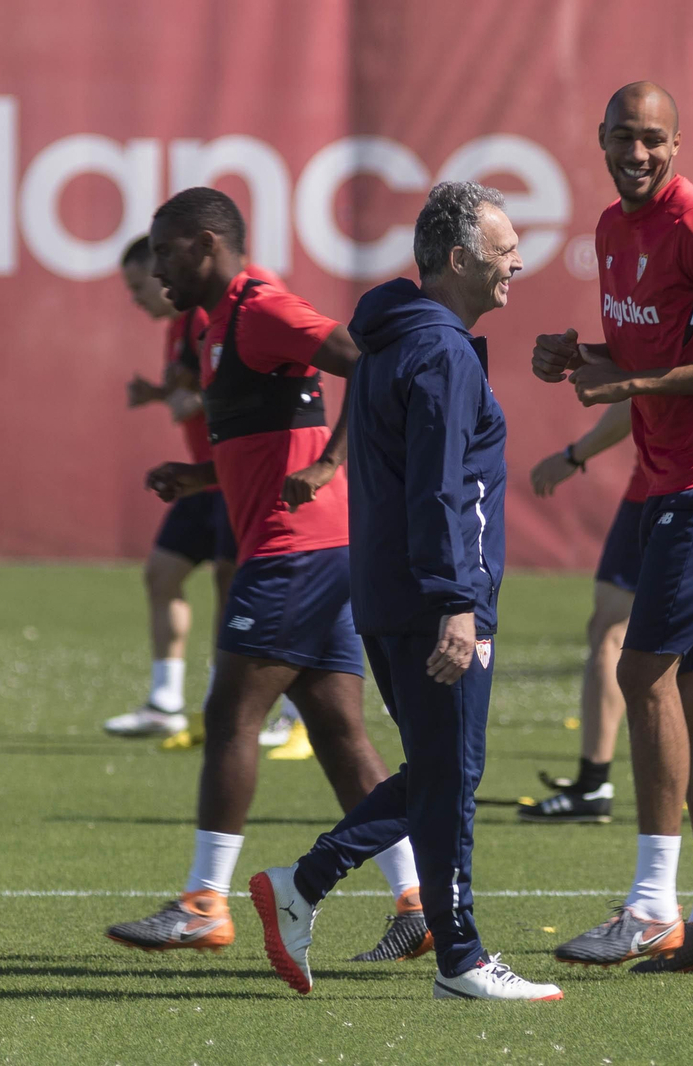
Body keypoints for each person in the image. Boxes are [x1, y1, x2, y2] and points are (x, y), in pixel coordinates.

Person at [249, 182, 561, 1002]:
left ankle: (304, 888)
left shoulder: (394, 338)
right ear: (457, 259)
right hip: (435, 602)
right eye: (504, 251)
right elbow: (439, 489)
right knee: (450, 778)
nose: (518, 264)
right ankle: (459, 958)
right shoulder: (441, 352)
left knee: (439, 771)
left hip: (389, 595)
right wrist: (457, 601)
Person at [105, 188, 425, 964]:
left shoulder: (262, 308)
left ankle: (203, 903)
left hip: (295, 552)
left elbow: (368, 361)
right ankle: (417, 903)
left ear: (207, 245)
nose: (156, 267)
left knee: (229, 714)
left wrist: (332, 462)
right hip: (315, 551)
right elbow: (264, 436)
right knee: (338, 731)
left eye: (166, 250)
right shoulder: (215, 325)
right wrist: (199, 477)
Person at [534, 81, 693, 974]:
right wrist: (579, 358)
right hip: (685, 477)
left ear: (677, 144)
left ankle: (650, 907)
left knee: (642, 671)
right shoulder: (611, 228)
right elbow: (645, 354)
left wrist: (633, 386)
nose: (636, 154)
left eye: (652, 139)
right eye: (621, 138)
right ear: (599, 139)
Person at [524, 316, 693, 825]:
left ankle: (596, 784)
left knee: (631, 647)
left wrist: (577, 453)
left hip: (682, 481)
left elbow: (640, 388)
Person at [104, 236, 238, 739]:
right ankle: (165, 702)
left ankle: (226, 705)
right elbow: (194, 389)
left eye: (142, 284)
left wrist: (190, 399)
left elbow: (233, 383)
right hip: (200, 477)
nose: (139, 296)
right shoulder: (179, 324)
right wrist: (162, 393)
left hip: (229, 477)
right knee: (162, 573)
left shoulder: (205, 316)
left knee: (231, 586)